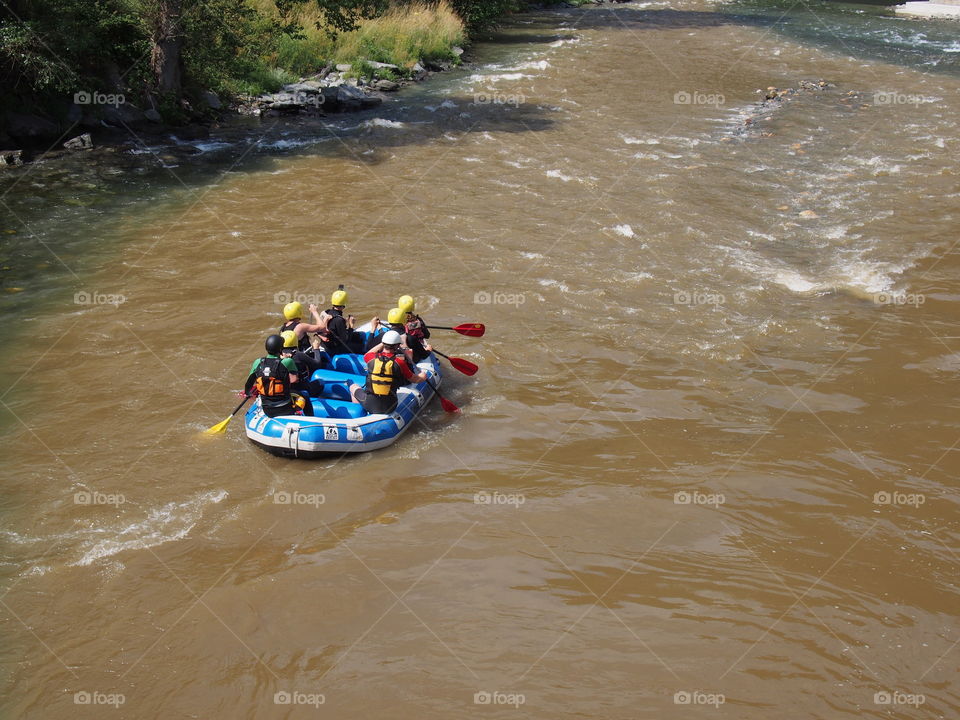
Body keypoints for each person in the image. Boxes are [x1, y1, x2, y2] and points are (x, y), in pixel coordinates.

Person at [348, 330, 427, 415]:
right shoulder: (399, 362)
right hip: (390, 406)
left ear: (384, 343)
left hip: (370, 404)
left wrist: (383, 343)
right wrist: (422, 377)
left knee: (353, 386)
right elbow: (414, 379)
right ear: (397, 346)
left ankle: (360, 413)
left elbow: (368, 353)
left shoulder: (370, 358)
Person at [244, 334, 302, 418]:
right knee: (305, 396)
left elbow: (249, 384)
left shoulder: (257, 362)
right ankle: (310, 417)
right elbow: (295, 379)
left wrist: (248, 393)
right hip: (285, 408)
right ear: (281, 349)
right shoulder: (288, 362)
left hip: (267, 409)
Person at [280, 331, 323, 407]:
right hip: (301, 389)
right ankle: (315, 402)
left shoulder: (278, 355)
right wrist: (316, 349)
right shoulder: (298, 355)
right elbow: (318, 364)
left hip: (285, 391)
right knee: (321, 382)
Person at [323, 288, 363, 356]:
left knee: (358, 336)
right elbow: (346, 341)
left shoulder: (328, 312)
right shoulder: (339, 320)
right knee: (361, 346)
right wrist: (351, 325)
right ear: (344, 304)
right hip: (334, 348)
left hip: (328, 343)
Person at [398, 294, 432, 361]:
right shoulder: (418, 320)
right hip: (418, 349)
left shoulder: (399, 321)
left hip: (404, 348)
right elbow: (427, 335)